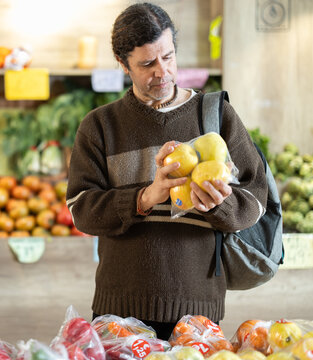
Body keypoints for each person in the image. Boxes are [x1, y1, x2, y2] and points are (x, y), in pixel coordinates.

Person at [65, 3, 268, 340]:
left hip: (198, 311)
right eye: (147, 63)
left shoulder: (217, 116)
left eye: (168, 57)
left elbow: (256, 197)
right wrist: (146, 196)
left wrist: (220, 204)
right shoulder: (99, 126)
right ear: (123, 64)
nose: (162, 71)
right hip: (120, 310)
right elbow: (82, 210)